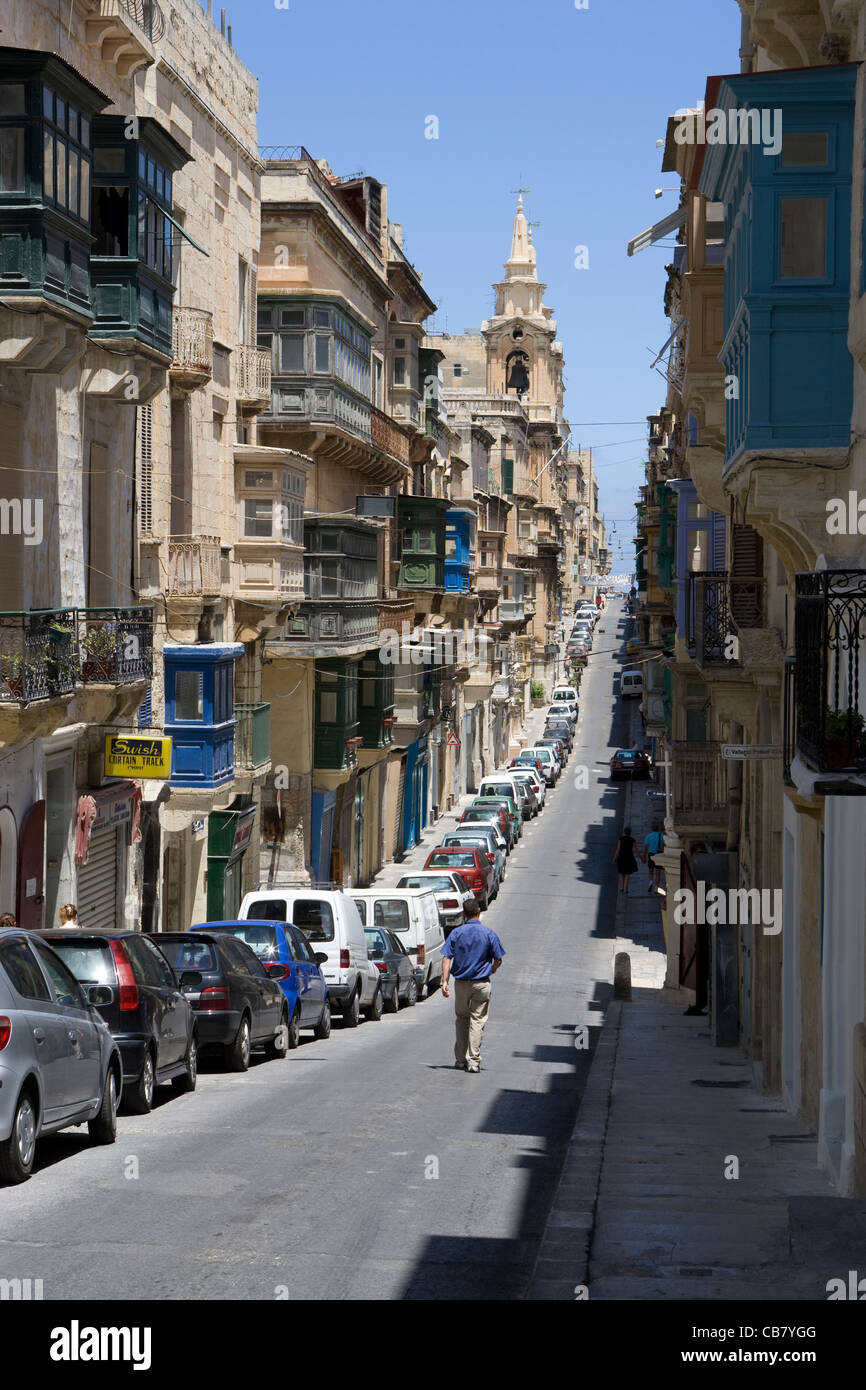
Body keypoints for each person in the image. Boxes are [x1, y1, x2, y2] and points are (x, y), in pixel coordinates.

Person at [441, 903, 506, 1073]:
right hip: (481, 983)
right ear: (478, 912)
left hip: (461, 984)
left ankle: (461, 1059)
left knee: (462, 1019)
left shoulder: (456, 933)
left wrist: (444, 980)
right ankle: (473, 1061)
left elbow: (446, 957)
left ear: (464, 913)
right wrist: (493, 968)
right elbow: (498, 958)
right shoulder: (489, 933)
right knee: (477, 1020)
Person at [612, 825, 639, 895]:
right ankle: (625, 889)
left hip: (621, 857)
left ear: (624, 832)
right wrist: (641, 858)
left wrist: (614, 858)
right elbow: (635, 850)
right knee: (627, 874)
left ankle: (621, 887)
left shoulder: (621, 839)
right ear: (630, 833)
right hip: (629, 857)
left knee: (621, 873)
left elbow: (618, 849)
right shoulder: (633, 840)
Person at [642, 822, 665, 893]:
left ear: (652, 829)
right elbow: (664, 846)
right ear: (658, 829)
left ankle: (651, 882)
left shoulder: (649, 836)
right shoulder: (661, 836)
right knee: (658, 872)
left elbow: (646, 847)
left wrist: (644, 856)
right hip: (659, 854)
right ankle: (656, 888)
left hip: (651, 854)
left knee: (651, 870)